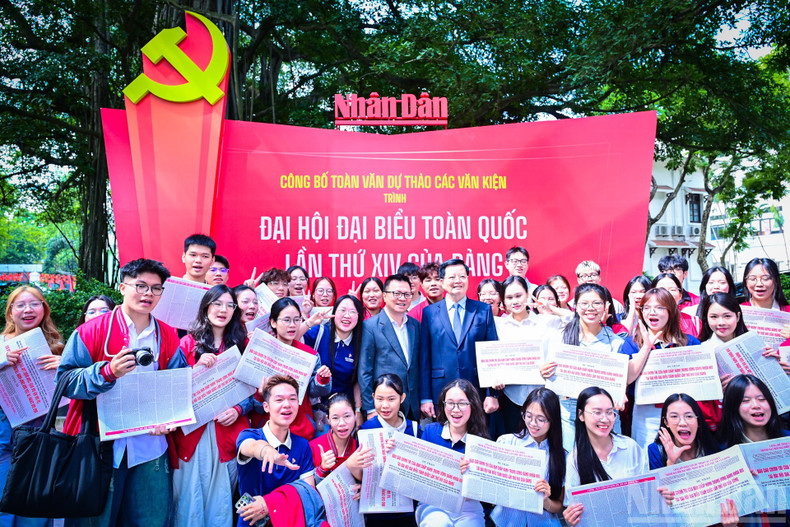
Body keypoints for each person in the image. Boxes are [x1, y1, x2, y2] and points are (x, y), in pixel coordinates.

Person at [56, 259, 187, 527]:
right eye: (140, 286)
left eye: (156, 288)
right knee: (93, 520)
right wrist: (107, 372)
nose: (148, 294)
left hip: (151, 447)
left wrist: (170, 418)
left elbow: (177, 386)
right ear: (122, 287)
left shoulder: (167, 335)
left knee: (151, 520)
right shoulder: (91, 331)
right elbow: (65, 382)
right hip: (99, 445)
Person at [171, 285, 250, 527]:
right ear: (206, 307)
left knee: (221, 503)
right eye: (217, 304)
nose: (223, 310)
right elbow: (172, 388)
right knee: (189, 500)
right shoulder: (187, 343)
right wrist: (194, 369)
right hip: (193, 434)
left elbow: (254, 390)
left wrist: (238, 410)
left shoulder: (243, 344)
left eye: (229, 305)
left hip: (227, 432)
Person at [540, 284, 638, 451]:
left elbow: (621, 381)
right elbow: (549, 376)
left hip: (605, 416)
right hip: (569, 414)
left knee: (608, 462)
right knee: (571, 463)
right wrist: (545, 372)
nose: (590, 308)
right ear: (576, 307)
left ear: (606, 306)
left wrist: (619, 393)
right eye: (584, 303)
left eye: (597, 303)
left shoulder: (617, 342)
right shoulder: (559, 338)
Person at [1, 285, 64, 527]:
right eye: (20, 305)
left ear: (44, 309)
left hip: (39, 435)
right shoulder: (0, 345)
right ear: (10, 312)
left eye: (35, 304)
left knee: (35, 507)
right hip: (3, 435)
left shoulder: (57, 346)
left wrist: (65, 368)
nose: (28, 310)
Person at [419, 259, 499, 419]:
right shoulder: (429, 313)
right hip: (440, 391)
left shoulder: (483, 310)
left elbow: (493, 353)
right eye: (452, 277)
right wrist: (425, 397)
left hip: (476, 390)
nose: (458, 281)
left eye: (462, 276)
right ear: (442, 282)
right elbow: (425, 358)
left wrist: (492, 394)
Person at [235, 375, 316, 527]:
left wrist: (269, 504)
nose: (287, 405)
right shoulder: (248, 435)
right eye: (279, 400)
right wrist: (266, 450)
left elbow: (308, 493)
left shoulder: (303, 445)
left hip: (289, 521)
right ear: (266, 406)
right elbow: (251, 446)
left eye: (292, 399)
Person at [562, 387, 648, 526]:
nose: (605, 419)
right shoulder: (574, 460)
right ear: (581, 415)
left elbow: (646, 494)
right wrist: (570, 519)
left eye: (610, 412)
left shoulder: (630, 447)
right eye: (597, 412)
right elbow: (573, 512)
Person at [629, 287, 702, 448]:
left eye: (659, 307)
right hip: (647, 416)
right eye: (647, 308)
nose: (652, 312)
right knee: (649, 456)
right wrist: (646, 347)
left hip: (684, 415)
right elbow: (627, 378)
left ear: (671, 311)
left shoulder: (690, 342)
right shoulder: (632, 343)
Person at [412, 379, 488, 527]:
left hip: (468, 507)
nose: (455, 409)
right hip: (433, 503)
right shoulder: (430, 431)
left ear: (472, 405)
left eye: (462, 403)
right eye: (450, 403)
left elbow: (482, 490)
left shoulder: (480, 441)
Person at [495, 276, 565, 434]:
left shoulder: (547, 322)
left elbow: (572, 319)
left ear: (528, 295)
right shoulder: (499, 325)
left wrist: (550, 307)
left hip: (543, 397)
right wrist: (495, 377)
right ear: (503, 301)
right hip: (512, 398)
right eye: (509, 297)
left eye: (519, 295)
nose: (515, 301)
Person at [718, 375, 789, 525]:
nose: (756, 405)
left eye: (762, 399)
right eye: (745, 401)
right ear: (733, 406)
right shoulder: (724, 454)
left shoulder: (787, 440)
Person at [490, 388, 565, 527]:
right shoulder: (506, 443)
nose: (533, 423)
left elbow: (559, 506)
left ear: (553, 420)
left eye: (540, 419)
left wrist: (545, 501)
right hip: (505, 522)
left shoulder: (561, 456)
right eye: (528, 416)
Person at [265, 297, 332, 440]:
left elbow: (315, 392)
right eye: (287, 320)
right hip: (268, 425)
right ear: (273, 322)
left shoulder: (309, 354)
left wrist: (322, 379)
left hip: (301, 425)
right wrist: (261, 394)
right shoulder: (263, 350)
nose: (292, 325)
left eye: (297, 320)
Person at [359, 374, 419, 527]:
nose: (385, 405)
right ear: (373, 397)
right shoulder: (366, 430)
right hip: (378, 512)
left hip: (409, 510)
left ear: (402, 398)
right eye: (379, 399)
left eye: (391, 399)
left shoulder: (414, 429)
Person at [359, 274, 421, 421]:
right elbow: (365, 371)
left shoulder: (415, 325)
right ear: (385, 296)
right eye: (397, 293)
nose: (402, 298)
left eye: (407, 294)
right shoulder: (370, 327)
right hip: (383, 407)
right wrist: (370, 408)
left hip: (412, 406)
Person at [699, 293, 789, 390]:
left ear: (738, 316)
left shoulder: (757, 343)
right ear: (706, 318)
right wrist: (716, 389)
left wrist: (776, 367)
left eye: (727, 316)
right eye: (714, 317)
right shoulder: (703, 350)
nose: (721, 322)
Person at [303, 295, 364, 423]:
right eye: (342, 310)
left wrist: (358, 410)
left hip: (345, 411)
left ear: (359, 316)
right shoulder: (319, 332)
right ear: (334, 312)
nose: (347, 315)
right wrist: (309, 323)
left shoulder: (361, 341)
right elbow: (291, 343)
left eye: (352, 312)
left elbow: (358, 380)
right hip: (316, 409)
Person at [309, 393, 372, 481]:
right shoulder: (313, 447)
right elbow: (307, 485)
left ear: (355, 415)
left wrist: (360, 487)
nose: (342, 423)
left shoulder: (361, 449)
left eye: (347, 416)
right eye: (335, 418)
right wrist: (322, 469)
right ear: (328, 419)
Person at [647, 393, 719, 469]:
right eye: (674, 416)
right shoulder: (655, 450)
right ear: (666, 422)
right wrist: (671, 462)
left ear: (698, 421)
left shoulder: (710, 446)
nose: (683, 423)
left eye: (689, 416)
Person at [651, 273, 699, 338]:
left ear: (680, 295)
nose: (667, 293)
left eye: (672, 290)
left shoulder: (695, 323)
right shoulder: (646, 322)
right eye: (662, 290)